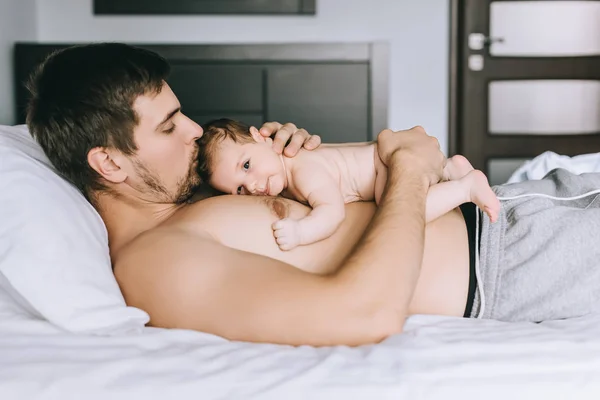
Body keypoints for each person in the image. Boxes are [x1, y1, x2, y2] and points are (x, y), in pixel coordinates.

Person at [25, 43, 600, 347]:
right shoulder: (155, 264)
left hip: (509, 224)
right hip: (505, 257)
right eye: (170, 125)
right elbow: (362, 315)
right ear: (109, 162)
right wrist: (407, 168)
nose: (196, 130)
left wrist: (291, 153)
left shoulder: (187, 199)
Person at [195, 118, 499, 250]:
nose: (253, 186)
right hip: (387, 159)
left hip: (386, 169)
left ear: (262, 136)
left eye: (246, 165)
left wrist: (301, 232)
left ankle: (466, 187)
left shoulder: (302, 170)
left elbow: (332, 212)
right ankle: (452, 169)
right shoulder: (289, 168)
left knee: (399, 209)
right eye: (238, 189)